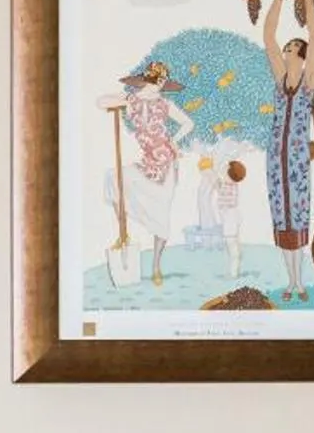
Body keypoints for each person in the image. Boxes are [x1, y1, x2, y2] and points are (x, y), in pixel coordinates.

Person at [262, 0, 314, 301]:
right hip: (275, 156)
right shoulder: (279, 81)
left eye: (292, 48)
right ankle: (290, 281)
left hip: (297, 156)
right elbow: (267, 37)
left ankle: (299, 281)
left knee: (298, 213)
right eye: (286, 48)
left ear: (301, 57)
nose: (286, 50)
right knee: (280, 214)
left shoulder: (308, 81)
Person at [99, 60, 196, 287]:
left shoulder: (164, 104)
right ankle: (123, 235)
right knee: (113, 178)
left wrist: (173, 140)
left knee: (162, 214)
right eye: (160, 80)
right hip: (147, 163)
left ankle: (156, 266)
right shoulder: (132, 100)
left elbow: (188, 123)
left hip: (166, 165)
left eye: (163, 80)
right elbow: (101, 101)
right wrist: (122, 99)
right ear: (154, 80)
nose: (162, 84)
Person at [216, 158, 248, 277]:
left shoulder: (228, 185)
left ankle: (234, 269)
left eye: (225, 170)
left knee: (231, 243)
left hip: (231, 216)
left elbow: (217, 182)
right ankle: (237, 259)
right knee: (233, 241)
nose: (223, 171)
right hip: (232, 216)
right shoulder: (229, 184)